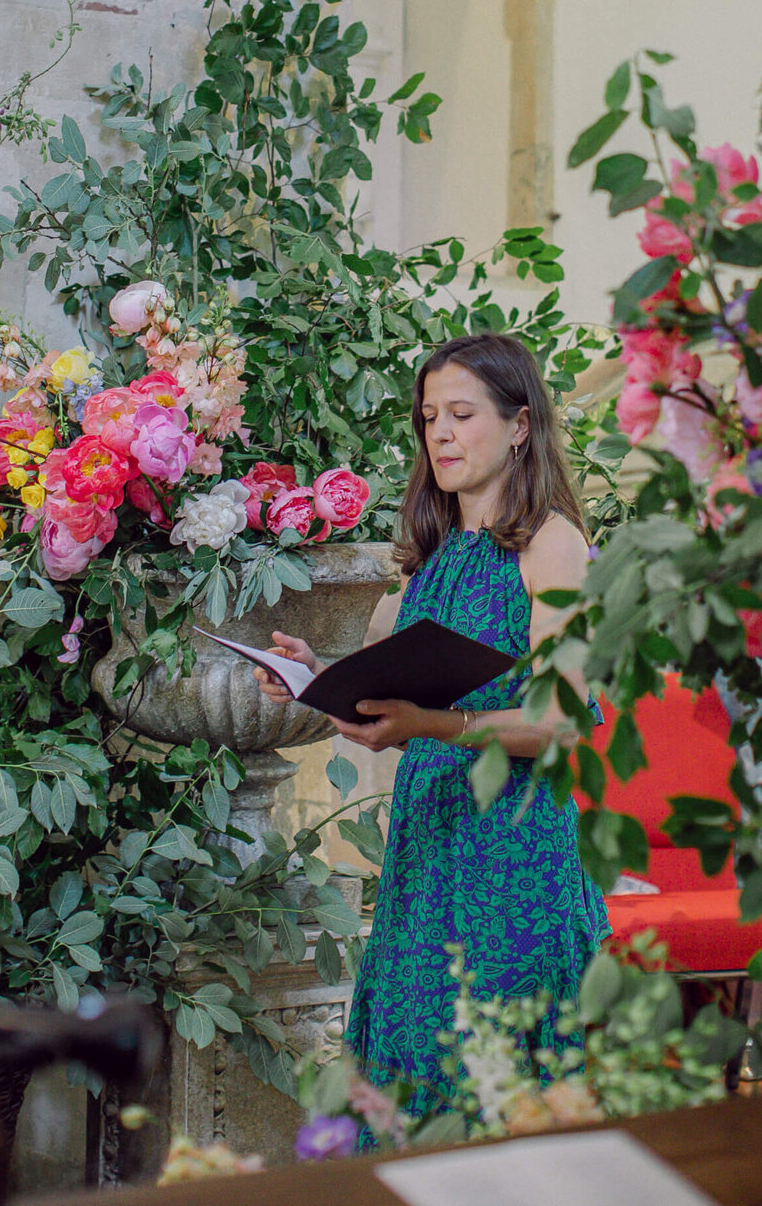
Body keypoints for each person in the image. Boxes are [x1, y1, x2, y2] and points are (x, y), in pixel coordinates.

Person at [256, 333, 610, 1122]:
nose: (440, 434)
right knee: (414, 1079)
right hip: (427, 859)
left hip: (518, 861)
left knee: (503, 1097)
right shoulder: (425, 558)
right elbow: (372, 687)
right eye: (428, 418)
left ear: (520, 425)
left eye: (460, 414)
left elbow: (561, 724)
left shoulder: (554, 545)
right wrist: (310, 673)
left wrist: (433, 725)